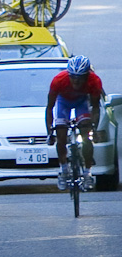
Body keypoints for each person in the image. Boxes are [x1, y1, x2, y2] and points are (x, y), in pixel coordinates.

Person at [45, 55, 102, 191]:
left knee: (86, 135)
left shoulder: (94, 81)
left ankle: (87, 173)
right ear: (68, 74)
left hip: (81, 102)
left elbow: (95, 107)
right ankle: (64, 170)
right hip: (63, 102)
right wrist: (49, 131)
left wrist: (94, 129)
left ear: (87, 75)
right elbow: (49, 108)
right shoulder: (58, 80)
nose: (76, 80)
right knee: (61, 135)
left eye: (80, 77)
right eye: (73, 76)